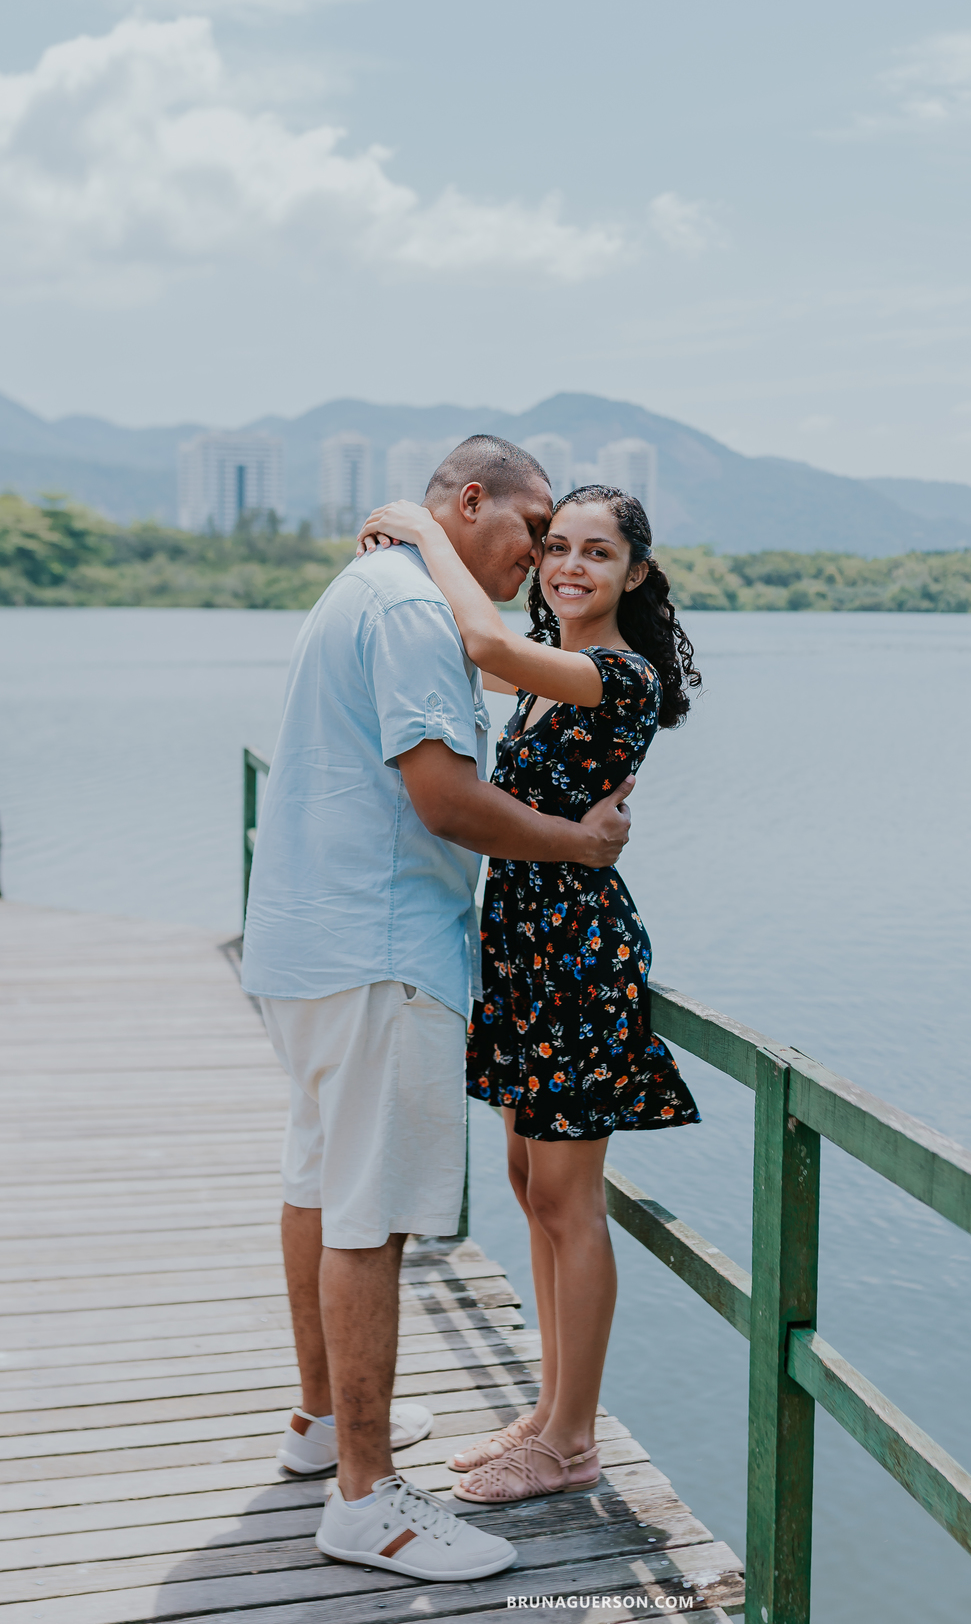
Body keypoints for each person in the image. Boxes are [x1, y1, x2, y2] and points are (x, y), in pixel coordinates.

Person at [240, 438, 637, 1582]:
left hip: (306, 946)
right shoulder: (414, 606)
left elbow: (508, 665)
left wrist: (406, 530)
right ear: (472, 503)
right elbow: (445, 797)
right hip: (380, 949)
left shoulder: (364, 585)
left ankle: (325, 1424)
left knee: (319, 1184)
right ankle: (370, 1504)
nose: (533, 560)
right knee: (370, 1218)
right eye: (531, 532)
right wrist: (581, 844)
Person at [354, 481, 702, 1506]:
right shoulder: (555, 678)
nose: (569, 566)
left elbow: (486, 646)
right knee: (526, 1186)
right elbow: (490, 657)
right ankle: (552, 1411)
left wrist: (422, 530)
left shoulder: (615, 672)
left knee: (567, 1197)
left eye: (597, 552)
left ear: (635, 573)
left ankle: (572, 1442)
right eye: (555, 547)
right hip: (522, 943)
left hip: (578, 950)